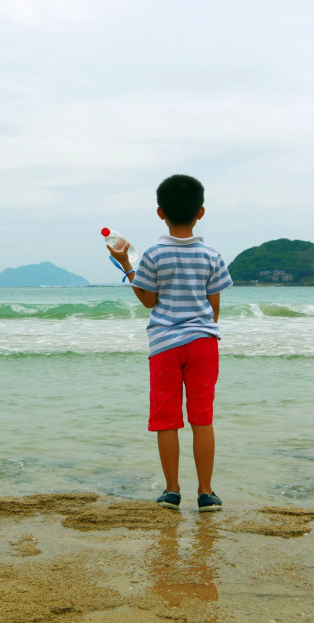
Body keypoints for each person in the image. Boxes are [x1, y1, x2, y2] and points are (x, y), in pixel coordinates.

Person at [107, 174, 233, 512]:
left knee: (167, 418)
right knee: (202, 417)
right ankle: (206, 493)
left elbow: (148, 301)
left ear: (160, 212)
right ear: (201, 212)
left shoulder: (153, 254)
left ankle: (172, 491)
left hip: (164, 344)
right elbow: (214, 305)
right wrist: (204, 331)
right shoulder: (211, 255)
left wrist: (125, 265)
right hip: (203, 342)